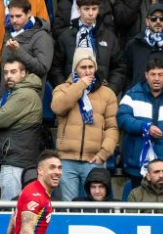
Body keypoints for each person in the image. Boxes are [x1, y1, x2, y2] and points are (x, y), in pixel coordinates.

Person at [51, 48, 119, 201]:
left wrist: (103, 154)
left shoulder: (107, 94)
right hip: (67, 159)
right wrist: (79, 86)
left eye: (91, 67)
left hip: (93, 160)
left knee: (93, 207)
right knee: (69, 208)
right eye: (83, 67)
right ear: (75, 69)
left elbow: (112, 128)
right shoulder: (62, 89)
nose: (88, 71)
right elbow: (58, 107)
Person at [118, 58, 163, 184]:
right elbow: (122, 118)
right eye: (153, 74)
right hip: (137, 166)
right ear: (146, 75)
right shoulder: (132, 95)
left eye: (160, 75)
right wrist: (144, 127)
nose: (156, 78)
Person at [50, 0, 126, 96]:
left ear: (98, 9)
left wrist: (111, 90)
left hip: (101, 95)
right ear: (78, 9)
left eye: (94, 9)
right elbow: (56, 68)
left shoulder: (109, 37)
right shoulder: (66, 36)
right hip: (72, 94)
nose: (91, 13)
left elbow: (119, 67)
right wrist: (65, 90)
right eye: (86, 9)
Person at [0, 59, 44, 200]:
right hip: (18, 160)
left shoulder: (24, 94)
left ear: (23, 73)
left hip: (16, 161)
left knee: (10, 211)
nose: (8, 76)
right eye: (6, 72)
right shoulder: (16, 93)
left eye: (13, 72)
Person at [0, 0, 53, 99]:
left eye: (18, 16)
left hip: (28, 101)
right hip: (5, 97)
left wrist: (18, 51)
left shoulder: (42, 36)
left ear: (28, 14)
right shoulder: (9, 32)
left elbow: (42, 68)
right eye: (11, 16)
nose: (14, 20)